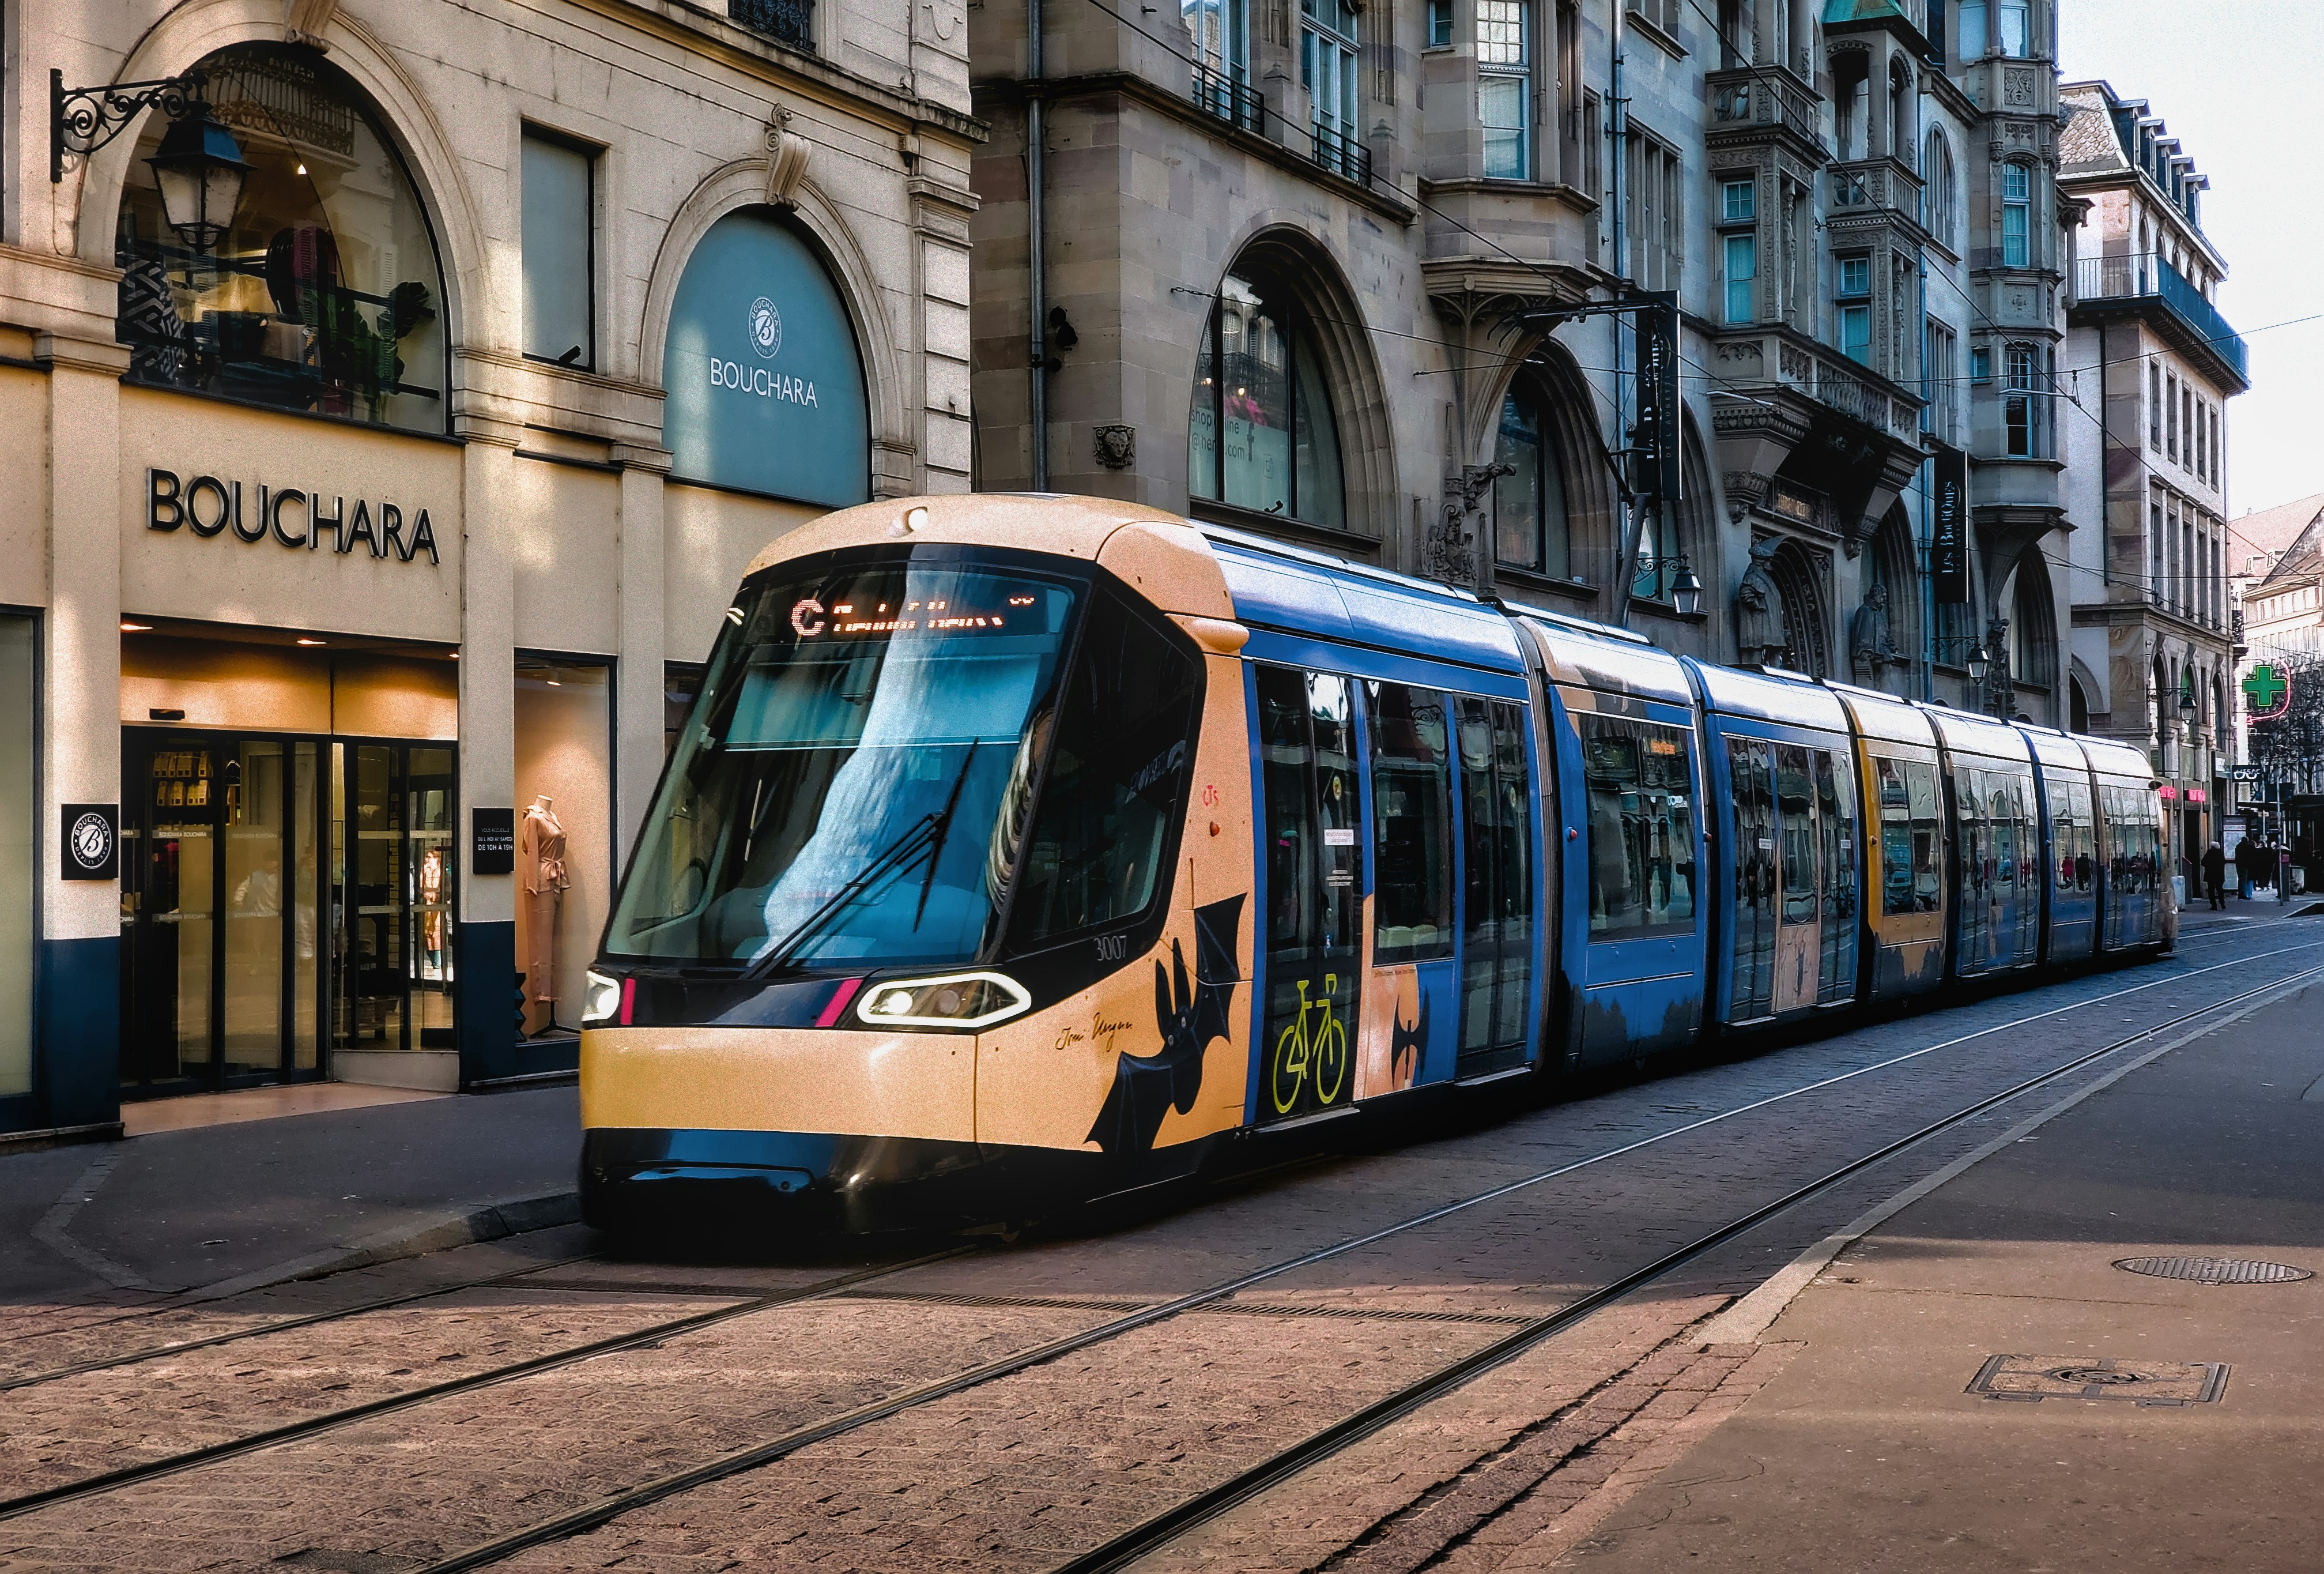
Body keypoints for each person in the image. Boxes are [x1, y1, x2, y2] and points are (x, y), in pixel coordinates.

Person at [2201, 841, 2227, 911]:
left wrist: (2209, 866)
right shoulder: (2221, 854)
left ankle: (2214, 905)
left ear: (2212, 847)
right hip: (2220, 875)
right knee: (2220, 889)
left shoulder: (2209, 853)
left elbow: (2203, 863)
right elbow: (2224, 862)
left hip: (2211, 875)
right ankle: (2222, 903)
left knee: (2211, 890)